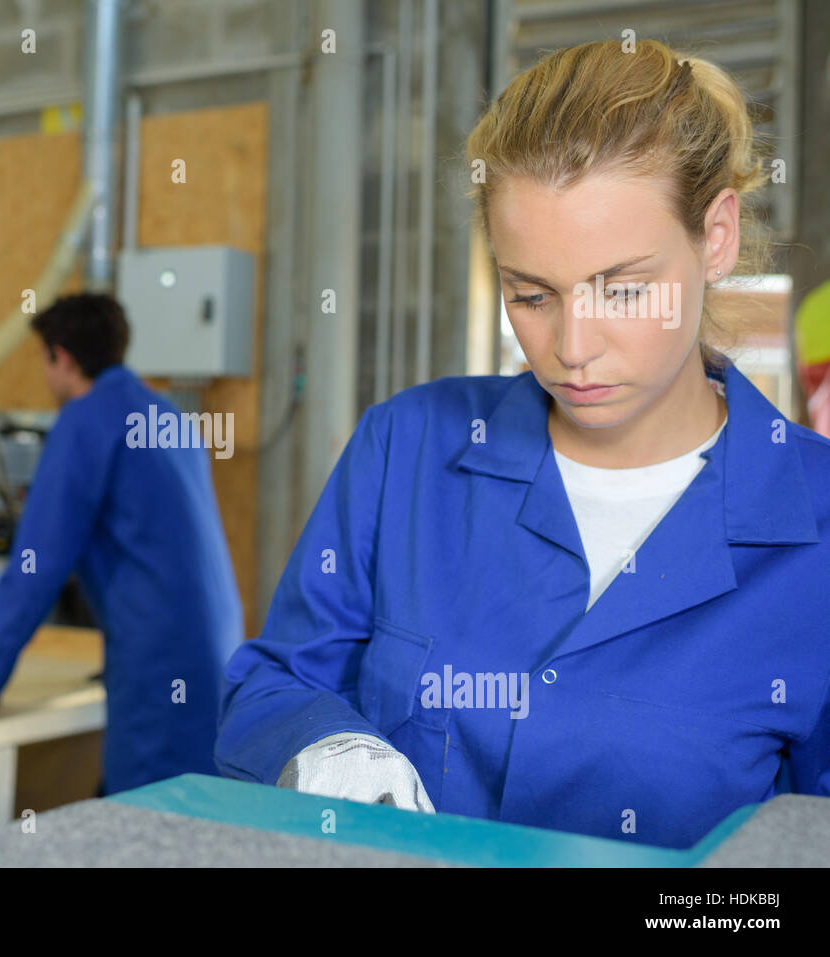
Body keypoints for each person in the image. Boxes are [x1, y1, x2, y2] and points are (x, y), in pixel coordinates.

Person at [215, 39, 830, 850]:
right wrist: (324, 744)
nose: (572, 346)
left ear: (715, 237)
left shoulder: (814, 524)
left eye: (625, 287)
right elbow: (275, 679)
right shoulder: (407, 447)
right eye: (530, 293)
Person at [0, 293, 243, 795]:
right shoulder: (168, 415)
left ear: (61, 357)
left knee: (144, 820)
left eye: (45, 362)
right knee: (199, 808)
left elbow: (36, 565)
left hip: (156, 660)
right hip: (217, 647)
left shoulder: (84, 420)